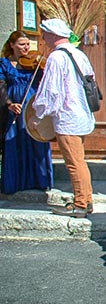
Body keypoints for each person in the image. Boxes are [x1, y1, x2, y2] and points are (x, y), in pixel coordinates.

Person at [31, 19, 96, 218]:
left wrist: (38, 114)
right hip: (80, 114)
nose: (43, 38)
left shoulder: (56, 58)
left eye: (45, 34)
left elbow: (52, 91)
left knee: (74, 162)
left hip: (67, 117)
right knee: (79, 160)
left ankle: (81, 203)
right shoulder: (79, 54)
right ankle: (86, 199)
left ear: (53, 34)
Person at [1, 31, 52, 194]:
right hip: (14, 106)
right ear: (12, 45)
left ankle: (40, 180)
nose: (26, 48)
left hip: (33, 105)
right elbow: (0, 86)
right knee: (13, 141)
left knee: (36, 139)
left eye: (28, 44)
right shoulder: (4, 63)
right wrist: (8, 104)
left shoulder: (36, 63)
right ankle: (14, 182)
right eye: (22, 44)